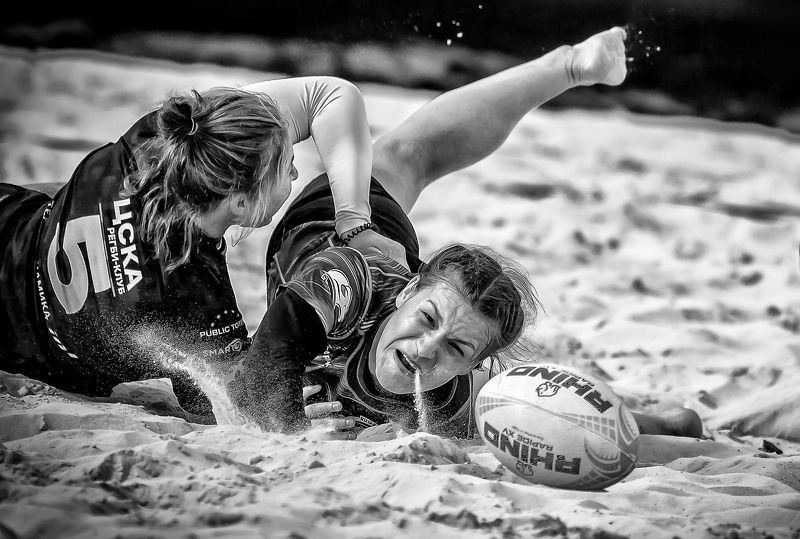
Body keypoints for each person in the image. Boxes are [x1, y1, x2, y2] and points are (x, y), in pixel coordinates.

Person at [232, 27, 703, 440]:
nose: (426, 350)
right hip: (343, 226)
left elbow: (551, 413)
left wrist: (668, 426)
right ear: (409, 294)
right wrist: (295, 429)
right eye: (427, 320)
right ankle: (567, 66)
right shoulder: (344, 282)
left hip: (413, 287)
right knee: (410, 154)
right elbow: (263, 369)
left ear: (473, 366)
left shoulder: (451, 399)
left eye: (456, 349)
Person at [0, 75, 409, 420]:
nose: (296, 173)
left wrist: (354, 221)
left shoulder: (159, 139)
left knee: (61, 198)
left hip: (10, 224)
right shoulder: (191, 295)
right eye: (286, 168)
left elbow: (329, 95)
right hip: (16, 339)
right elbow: (246, 398)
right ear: (241, 203)